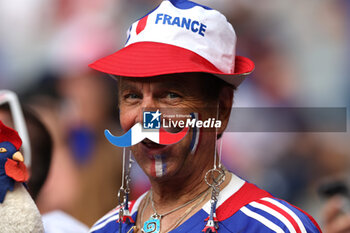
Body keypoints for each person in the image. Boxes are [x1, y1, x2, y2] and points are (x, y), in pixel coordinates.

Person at [88, 0, 322, 232]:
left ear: (222, 108)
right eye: (132, 96)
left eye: (170, 95)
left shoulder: (274, 228)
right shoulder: (104, 229)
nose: (146, 117)